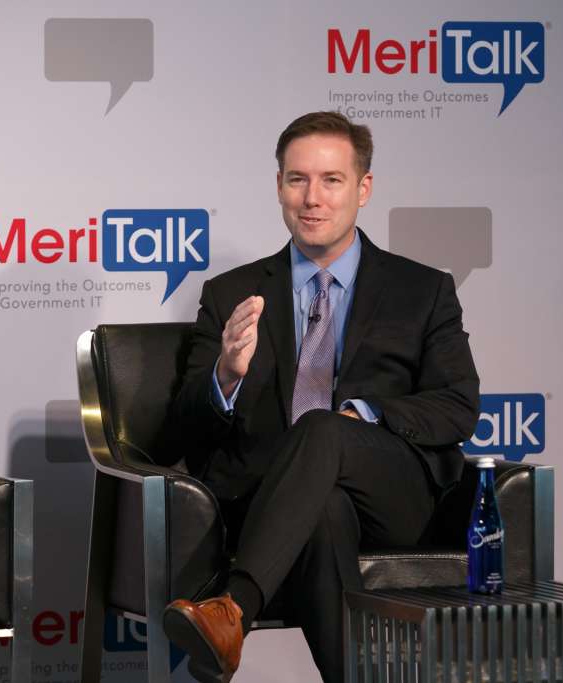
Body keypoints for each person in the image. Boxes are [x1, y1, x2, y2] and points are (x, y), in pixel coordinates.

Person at [163, 111, 480, 682]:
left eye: (331, 180)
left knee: (324, 427)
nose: (312, 198)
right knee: (324, 509)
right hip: (270, 501)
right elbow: (184, 427)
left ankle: (234, 609)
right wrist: (226, 374)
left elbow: (457, 405)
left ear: (363, 188)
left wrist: (366, 415)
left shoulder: (422, 289)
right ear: (279, 186)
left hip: (394, 499)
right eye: (297, 179)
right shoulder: (232, 293)